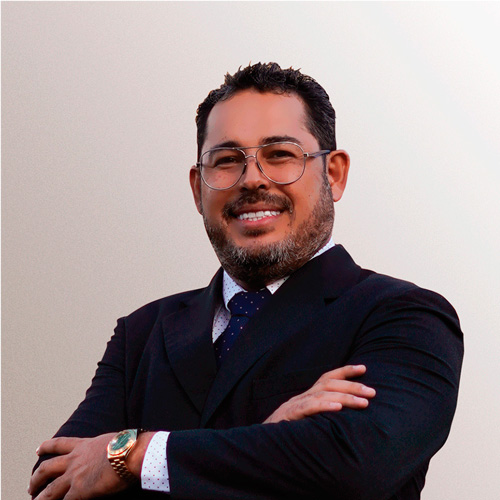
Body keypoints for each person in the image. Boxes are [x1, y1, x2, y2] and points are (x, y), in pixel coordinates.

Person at [29, 62, 463, 500]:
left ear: (333, 174)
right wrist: (271, 437)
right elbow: (54, 480)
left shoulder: (404, 317)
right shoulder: (141, 333)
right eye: (226, 161)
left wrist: (133, 456)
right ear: (198, 188)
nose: (252, 178)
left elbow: (357, 467)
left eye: (281, 154)